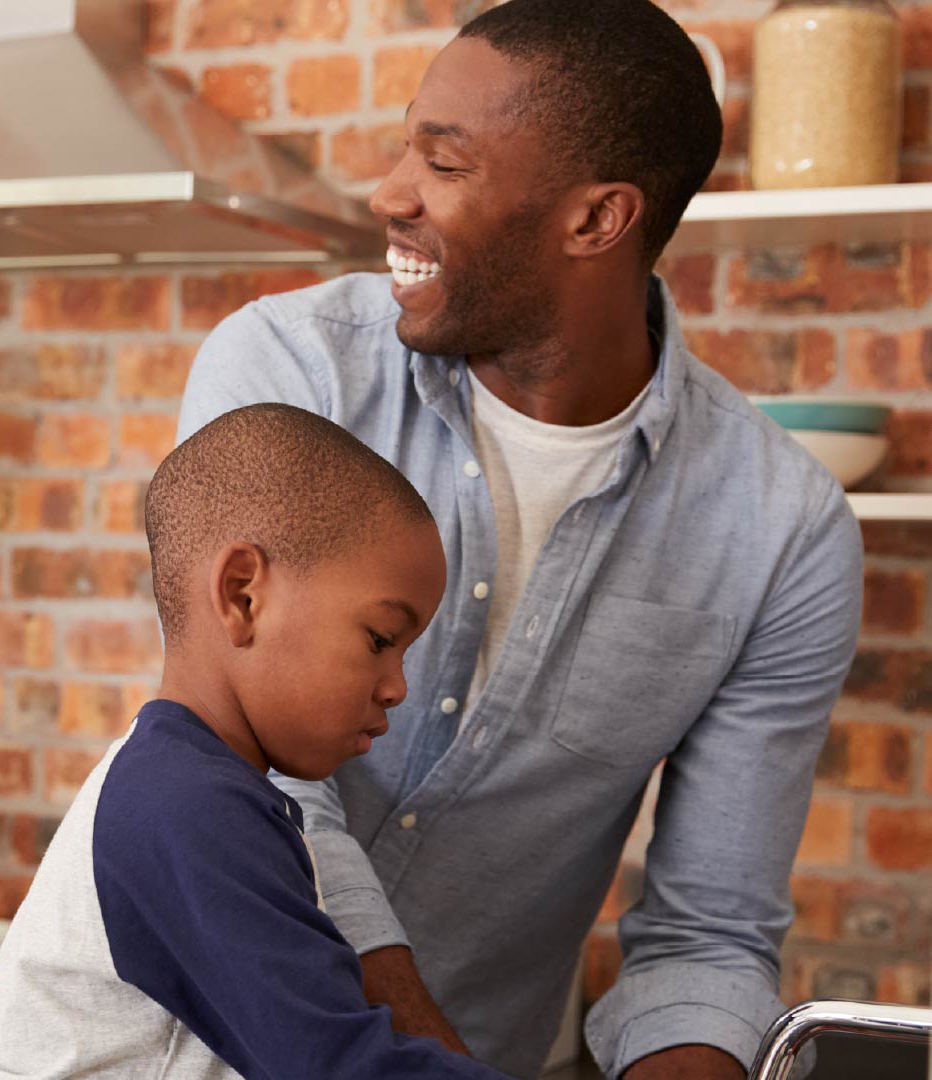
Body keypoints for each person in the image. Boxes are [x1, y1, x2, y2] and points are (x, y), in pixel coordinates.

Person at [177, 2, 863, 1078]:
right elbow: (254, 791)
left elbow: (706, 940)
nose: (388, 192)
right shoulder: (292, 376)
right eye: (409, 143)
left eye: (441, 164)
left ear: (596, 220)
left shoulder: (782, 530)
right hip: (181, 1050)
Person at [0, 404, 507, 1079]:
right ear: (242, 595)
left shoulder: (191, 788)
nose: (396, 687)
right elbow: (337, 1065)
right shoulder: (183, 807)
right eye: (379, 640)